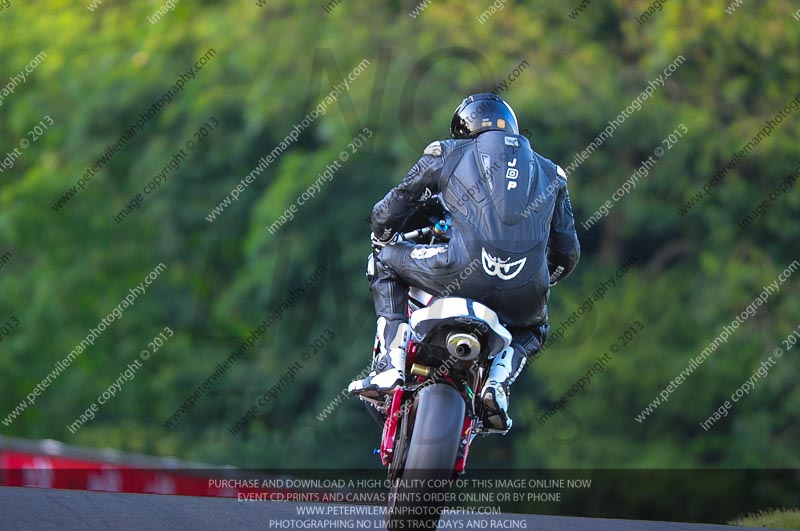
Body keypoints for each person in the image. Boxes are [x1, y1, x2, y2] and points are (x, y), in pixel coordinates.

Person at [348, 93, 579, 432]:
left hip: (456, 270)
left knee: (384, 261)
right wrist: (542, 278)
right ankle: (497, 384)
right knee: (534, 328)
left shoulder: (447, 152)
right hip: (525, 291)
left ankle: (390, 365)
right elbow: (567, 253)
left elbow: (392, 206)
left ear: (463, 131)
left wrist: (382, 236)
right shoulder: (552, 173)